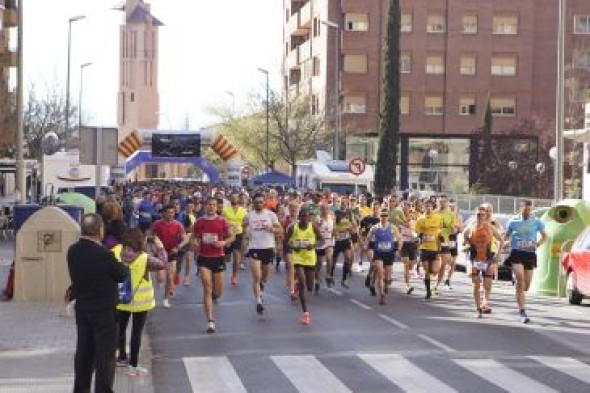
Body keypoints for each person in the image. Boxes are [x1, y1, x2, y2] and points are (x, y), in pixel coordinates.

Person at [67, 214, 129, 393]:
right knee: (105, 356)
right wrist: (123, 263)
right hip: (104, 312)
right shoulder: (104, 254)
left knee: (84, 353)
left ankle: (81, 389)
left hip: (83, 309)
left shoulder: (73, 251)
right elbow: (121, 274)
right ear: (99, 230)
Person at [113, 228, 164, 375]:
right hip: (141, 303)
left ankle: (120, 357)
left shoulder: (115, 252)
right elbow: (163, 263)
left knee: (119, 329)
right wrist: (159, 247)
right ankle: (133, 365)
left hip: (121, 299)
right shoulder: (145, 258)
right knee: (136, 333)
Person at [192, 197, 233, 333]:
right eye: (209, 204)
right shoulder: (199, 222)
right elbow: (193, 236)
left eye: (214, 205)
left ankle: (215, 296)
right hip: (204, 258)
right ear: (205, 206)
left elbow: (231, 236)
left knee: (218, 291)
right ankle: (210, 320)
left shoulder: (222, 221)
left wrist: (223, 243)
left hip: (218, 258)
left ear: (217, 207)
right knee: (207, 288)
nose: (211, 207)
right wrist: (195, 244)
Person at [503, 200, 547, 324]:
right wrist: (502, 246)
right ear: (520, 208)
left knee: (526, 286)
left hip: (530, 254)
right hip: (517, 253)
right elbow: (505, 236)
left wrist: (538, 244)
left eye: (529, 209)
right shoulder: (513, 221)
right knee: (520, 281)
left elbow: (545, 236)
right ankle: (522, 311)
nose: (527, 211)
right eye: (525, 209)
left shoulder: (537, 221)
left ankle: (515, 277)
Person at [244, 193, 282, 315]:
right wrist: (246, 234)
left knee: (264, 277)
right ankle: (258, 301)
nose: (259, 204)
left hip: (268, 247)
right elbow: (244, 227)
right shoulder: (249, 216)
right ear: (253, 203)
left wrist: (272, 229)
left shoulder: (270, 215)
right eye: (256, 202)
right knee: (257, 277)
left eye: (261, 202)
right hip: (254, 248)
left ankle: (260, 288)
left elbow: (280, 230)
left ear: (264, 203)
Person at [286, 207, 323, 325]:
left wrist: (313, 245)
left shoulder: (313, 227)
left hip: (310, 258)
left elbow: (322, 240)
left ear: (308, 218)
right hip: (298, 258)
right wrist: (293, 247)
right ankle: (305, 313)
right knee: (302, 281)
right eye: (301, 216)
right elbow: (286, 241)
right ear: (298, 218)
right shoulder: (293, 228)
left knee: (310, 286)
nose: (303, 219)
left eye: (306, 217)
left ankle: (297, 285)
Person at [464, 207, 502, 318]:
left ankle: (484, 302)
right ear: (475, 216)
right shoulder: (470, 227)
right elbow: (464, 238)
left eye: (482, 215)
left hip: (487, 259)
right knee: (476, 283)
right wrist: (466, 244)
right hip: (474, 258)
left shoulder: (490, 228)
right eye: (478, 215)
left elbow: (501, 240)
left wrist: (498, 255)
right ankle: (478, 309)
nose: (480, 217)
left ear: (485, 216)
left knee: (487, 284)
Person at [151, 204, 189, 308]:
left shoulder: (178, 225)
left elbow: (185, 239)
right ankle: (159, 281)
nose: (170, 215)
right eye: (168, 212)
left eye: (172, 213)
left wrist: (178, 247)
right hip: (160, 253)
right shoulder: (157, 224)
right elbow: (150, 236)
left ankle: (165, 299)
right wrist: (154, 245)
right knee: (161, 277)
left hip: (172, 253)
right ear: (163, 213)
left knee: (170, 276)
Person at [365, 208, 403, 305]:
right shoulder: (375, 228)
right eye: (382, 215)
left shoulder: (392, 227)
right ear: (379, 217)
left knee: (388, 278)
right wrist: (366, 245)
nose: (384, 217)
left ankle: (386, 285)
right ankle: (382, 295)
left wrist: (398, 250)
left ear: (388, 217)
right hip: (378, 253)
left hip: (389, 253)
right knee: (380, 274)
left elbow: (399, 239)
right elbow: (368, 237)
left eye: (386, 215)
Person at [414, 200, 443, 299]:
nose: (428, 208)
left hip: (435, 248)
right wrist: (420, 235)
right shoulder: (420, 219)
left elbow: (440, 230)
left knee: (434, 270)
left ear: (433, 207)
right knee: (427, 270)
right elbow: (416, 232)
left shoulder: (438, 218)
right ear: (424, 207)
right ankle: (428, 291)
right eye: (426, 206)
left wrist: (440, 236)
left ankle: (429, 275)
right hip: (424, 248)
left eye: (430, 206)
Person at [222, 192, 248, 286]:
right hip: (228, 235)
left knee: (237, 257)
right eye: (232, 197)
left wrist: (244, 233)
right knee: (227, 258)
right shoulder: (225, 210)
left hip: (238, 234)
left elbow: (245, 223)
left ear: (239, 199)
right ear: (230, 199)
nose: (234, 199)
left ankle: (234, 276)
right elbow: (222, 222)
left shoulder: (243, 210)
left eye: (236, 198)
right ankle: (220, 269)